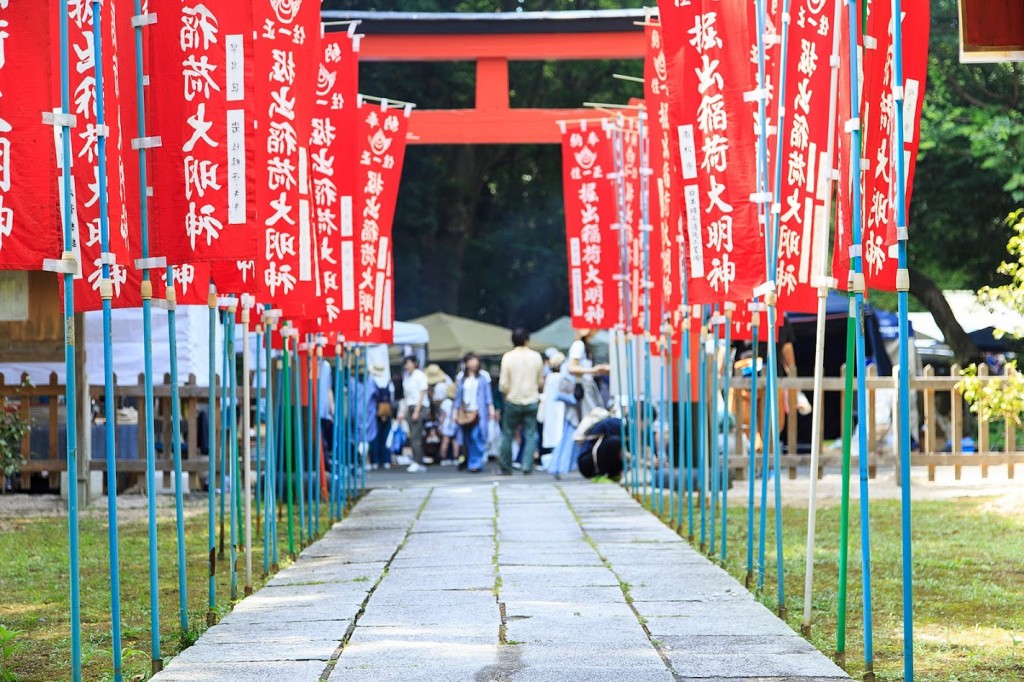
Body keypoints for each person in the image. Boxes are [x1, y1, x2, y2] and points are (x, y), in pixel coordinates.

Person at [497, 328, 544, 475]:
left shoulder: (508, 357)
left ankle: (506, 467)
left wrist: (506, 396)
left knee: (508, 434)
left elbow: (503, 384)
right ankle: (527, 466)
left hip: (513, 399)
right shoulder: (536, 357)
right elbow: (540, 382)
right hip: (531, 400)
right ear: (526, 340)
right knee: (530, 434)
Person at [454, 352, 495, 473]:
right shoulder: (461, 377)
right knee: (468, 438)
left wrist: (491, 408)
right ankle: (472, 461)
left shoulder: (484, 376)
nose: (474, 363)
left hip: (479, 411)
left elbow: (488, 395)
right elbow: (458, 397)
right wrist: (455, 412)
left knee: (476, 436)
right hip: (465, 412)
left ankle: (476, 462)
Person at [538, 351, 566, 463]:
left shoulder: (549, 378)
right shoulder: (560, 378)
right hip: (559, 408)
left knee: (551, 433)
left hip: (550, 409)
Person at [401, 356, 429, 465]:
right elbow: (406, 397)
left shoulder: (419, 375)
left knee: (416, 436)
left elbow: (422, 394)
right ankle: (416, 459)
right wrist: (403, 412)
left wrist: (417, 411)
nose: (407, 366)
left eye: (409, 363)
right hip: (410, 406)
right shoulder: (407, 377)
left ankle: (418, 462)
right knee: (412, 436)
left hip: (419, 407)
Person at [368, 361, 394, 469]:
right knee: (385, 438)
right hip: (387, 413)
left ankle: (375, 460)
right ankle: (386, 460)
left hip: (374, 413)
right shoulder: (388, 382)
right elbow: (391, 398)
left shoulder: (371, 381)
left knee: (375, 437)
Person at [318, 357, 334, 470]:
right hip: (313, 408)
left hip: (323, 410)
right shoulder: (309, 362)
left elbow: (329, 389)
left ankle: (325, 465)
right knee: (320, 441)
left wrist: (332, 408)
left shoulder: (326, 366)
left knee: (323, 440)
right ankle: (325, 465)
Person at [438, 382, 460, 466]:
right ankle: (456, 458)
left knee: (445, 441)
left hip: (446, 424)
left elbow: (443, 415)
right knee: (455, 442)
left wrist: (440, 424)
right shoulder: (457, 402)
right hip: (455, 423)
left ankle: (443, 458)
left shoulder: (445, 402)